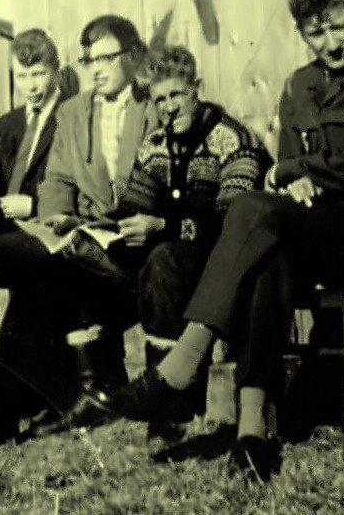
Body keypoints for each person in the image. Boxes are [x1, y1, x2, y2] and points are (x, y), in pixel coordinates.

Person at [96, 0, 344, 482]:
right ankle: (251, 434)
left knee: (248, 208)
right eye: (316, 33)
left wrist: (295, 172)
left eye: (338, 27)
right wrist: (291, 175)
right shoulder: (300, 84)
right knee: (268, 260)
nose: (330, 43)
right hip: (312, 228)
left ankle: (182, 363)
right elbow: (284, 166)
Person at [0, 15, 158, 444]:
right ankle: (13, 397)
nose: (97, 69)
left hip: (137, 237)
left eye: (107, 58)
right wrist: (57, 219)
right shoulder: (76, 112)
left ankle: (11, 403)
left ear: (132, 56)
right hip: (80, 234)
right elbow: (57, 180)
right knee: (17, 267)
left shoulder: (152, 107)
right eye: (90, 60)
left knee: (45, 278)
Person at [113, 44, 272, 440]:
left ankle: (173, 401)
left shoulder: (233, 139)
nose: (168, 108)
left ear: (196, 89)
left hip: (233, 261)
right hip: (178, 258)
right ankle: (153, 400)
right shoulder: (154, 145)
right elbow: (133, 205)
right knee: (134, 263)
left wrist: (160, 226)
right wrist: (94, 227)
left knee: (163, 260)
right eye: (160, 100)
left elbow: (231, 225)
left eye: (176, 95)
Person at [0, 28, 63, 234]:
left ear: (56, 70)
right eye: (21, 76)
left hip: (48, 229)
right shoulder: (2, 127)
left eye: (38, 74)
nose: (30, 86)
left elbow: (81, 191)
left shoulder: (72, 119)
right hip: (4, 228)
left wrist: (34, 205)